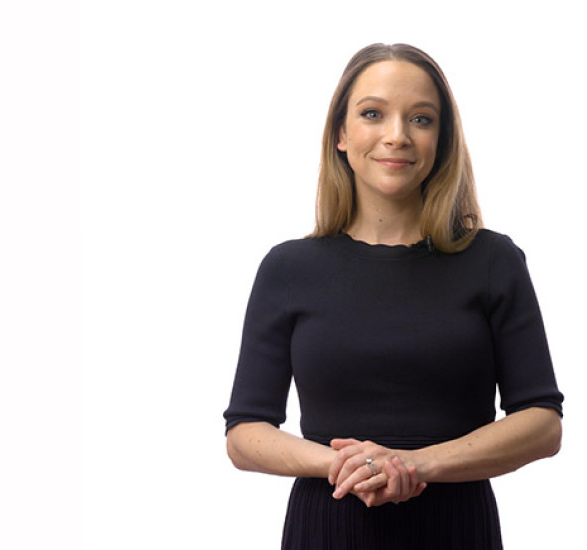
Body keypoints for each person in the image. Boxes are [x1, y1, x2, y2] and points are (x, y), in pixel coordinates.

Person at [224, 43, 564, 549]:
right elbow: (244, 434)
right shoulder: (288, 268)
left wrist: (417, 464)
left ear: (441, 139)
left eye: (421, 119)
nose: (397, 136)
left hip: (454, 531)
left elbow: (541, 424)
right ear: (341, 134)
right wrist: (344, 465)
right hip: (330, 526)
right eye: (372, 114)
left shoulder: (493, 261)